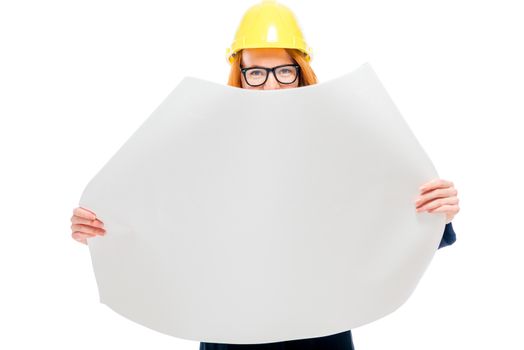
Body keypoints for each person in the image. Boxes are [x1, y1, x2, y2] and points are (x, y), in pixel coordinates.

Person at [70, 1, 460, 349]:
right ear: (238, 73)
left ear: (302, 71)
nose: (271, 83)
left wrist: (435, 213)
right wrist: (105, 227)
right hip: (230, 332)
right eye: (256, 72)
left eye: (283, 71)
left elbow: (376, 223)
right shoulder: (203, 144)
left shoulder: (340, 143)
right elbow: (168, 219)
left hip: (319, 335)